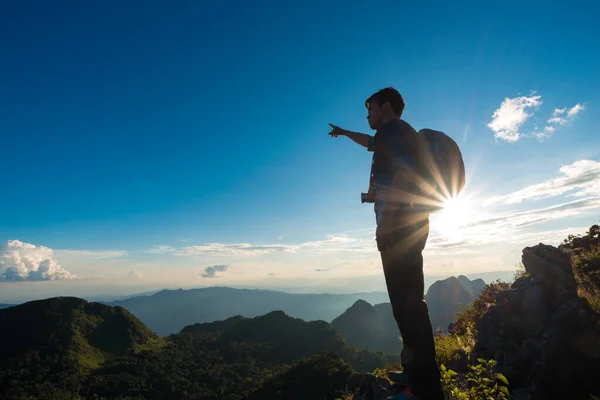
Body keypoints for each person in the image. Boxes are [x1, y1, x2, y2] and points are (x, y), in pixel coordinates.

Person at [329, 87, 446, 400]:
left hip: (399, 230)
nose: (367, 114)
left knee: (407, 306)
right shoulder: (391, 135)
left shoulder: (394, 131)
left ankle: (424, 387)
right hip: (407, 226)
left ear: (386, 106)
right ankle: (416, 374)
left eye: (370, 108)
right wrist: (343, 133)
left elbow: (406, 175)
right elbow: (371, 146)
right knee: (407, 304)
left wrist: (390, 222)